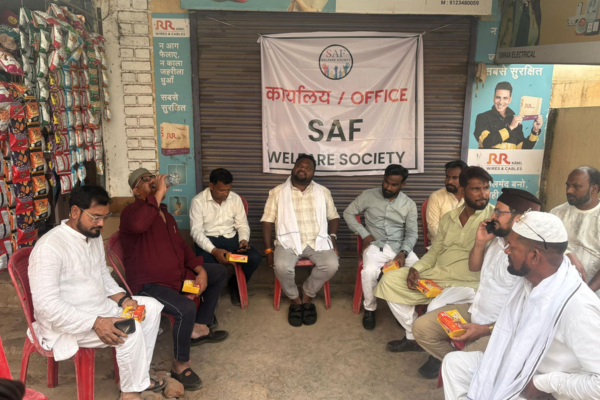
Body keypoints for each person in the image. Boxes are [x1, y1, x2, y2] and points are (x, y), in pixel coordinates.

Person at [442, 212, 600, 400]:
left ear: (534, 256)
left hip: (545, 390)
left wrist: (544, 383)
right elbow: (520, 324)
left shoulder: (578, 309)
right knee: (454, 364)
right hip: (518, 367)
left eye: (512, 247)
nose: (506, 251)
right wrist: (485, 329)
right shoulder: (531, 283)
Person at [29, 186, 164, 400]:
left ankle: (137, 378)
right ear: (75, 212)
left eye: (105, 217)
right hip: (67, 322)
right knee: (130, 330)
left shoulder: (92, 236)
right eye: (96, 217)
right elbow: (47, 306)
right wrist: (96, 322)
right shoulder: (49, 247)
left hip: (98, 307)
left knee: (151, 307)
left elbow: (102, 274)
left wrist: (124, 300)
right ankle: (130, 393)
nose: (101, 223)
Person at [412, 188, 541, 379]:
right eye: (494, 210)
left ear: (519, 218)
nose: (493, 216)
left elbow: (529, 318)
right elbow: (474, 267)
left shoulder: (530, 256)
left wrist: (485, 329)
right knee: (421, 328)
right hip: (476, 311)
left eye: (499, 212)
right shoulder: (497, 240)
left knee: (458, 365)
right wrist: (480, 243)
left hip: (499, 328)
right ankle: (467, 368)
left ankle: (466, 369)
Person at [120, 169, 229, 392]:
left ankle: (199, 328)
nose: (152, 181)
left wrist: (200, 270)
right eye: (145, 180)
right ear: (135, 190)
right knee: (185, 308)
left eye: (153, 177)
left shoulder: (165, 214)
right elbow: (140, 225)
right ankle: (180, 365)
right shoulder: (131, 212)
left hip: (176, 278)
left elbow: (182, 246)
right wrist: (159, 193)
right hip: (150, 286)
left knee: (218, 272)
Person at [374, 166, 494, 352]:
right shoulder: (449, 218)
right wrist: (416, 268)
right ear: (462, 191)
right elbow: (435, 250)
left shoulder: (493, 219)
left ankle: (436, 348)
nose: (483, 194)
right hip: (438, 276)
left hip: (468, 283)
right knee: (389, 279)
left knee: (435, 309)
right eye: (476, 189)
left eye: (486, 188)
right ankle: (414, 336)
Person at [261, 154, 340, 327]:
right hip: (288, 242)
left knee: (331, 265)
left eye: (308, 167)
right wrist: (268, 250)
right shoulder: (277, 192)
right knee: (282, 266)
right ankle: (295, 299)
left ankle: (307, 294)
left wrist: (332, 237)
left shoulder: (323, 192)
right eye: (300, 165)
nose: (303, 169)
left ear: (313, 173)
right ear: (294, 168)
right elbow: (267, 221)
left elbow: (333, 217)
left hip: (317, 240)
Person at [343, 164, 419, 331]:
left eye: (394, 185)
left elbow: (412, 233)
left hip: (400, 247)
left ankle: (404, 312)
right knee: (369, 271)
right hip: (375, 246)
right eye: (386, 182)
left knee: (418, 271)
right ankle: (370, 309)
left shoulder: (409, 204)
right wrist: (364, 234)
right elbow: (348, 213)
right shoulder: (368, 195)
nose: (388, 187)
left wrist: (403, 252)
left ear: (403, 184)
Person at [190, 168, 262, 306]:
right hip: (208, 241)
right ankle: (209, 298)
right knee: (206, 265)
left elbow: (242, 224)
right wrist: (214, 251)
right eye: (222, 190)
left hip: (231, 240)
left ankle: (235, 284)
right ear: (211, 186)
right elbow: (196, 232)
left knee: (254, 258)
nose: (226, 193)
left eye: (228, 189)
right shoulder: (198, 201)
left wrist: (243, 240)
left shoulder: (235, 199)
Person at [551, 166, 600, 297]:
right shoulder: (556, 213)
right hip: (557, 286)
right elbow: (544, 245)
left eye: (576, 186)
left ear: (594, 189)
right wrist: (567, 253)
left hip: (593, 291)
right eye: (568, 185)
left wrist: (585, 293)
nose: (569, 190)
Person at [473, 81, 543, 150]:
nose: (501, 102)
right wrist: (510, 127)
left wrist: (535, 131)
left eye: (505, 98)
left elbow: (522, 149)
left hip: (510, 158)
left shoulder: (515, 121)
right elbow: (486, 142)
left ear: (510, 100)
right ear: (493, 98)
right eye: (498, 97)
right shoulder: (482, 118)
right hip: (487, 158)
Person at [426, 160, 467, 244]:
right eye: (447, 177)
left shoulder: (470, 197)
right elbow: (433, 227)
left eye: (454, 178)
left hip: (465, 245)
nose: (449, 181)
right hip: (441, 246)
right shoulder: (436, 197)